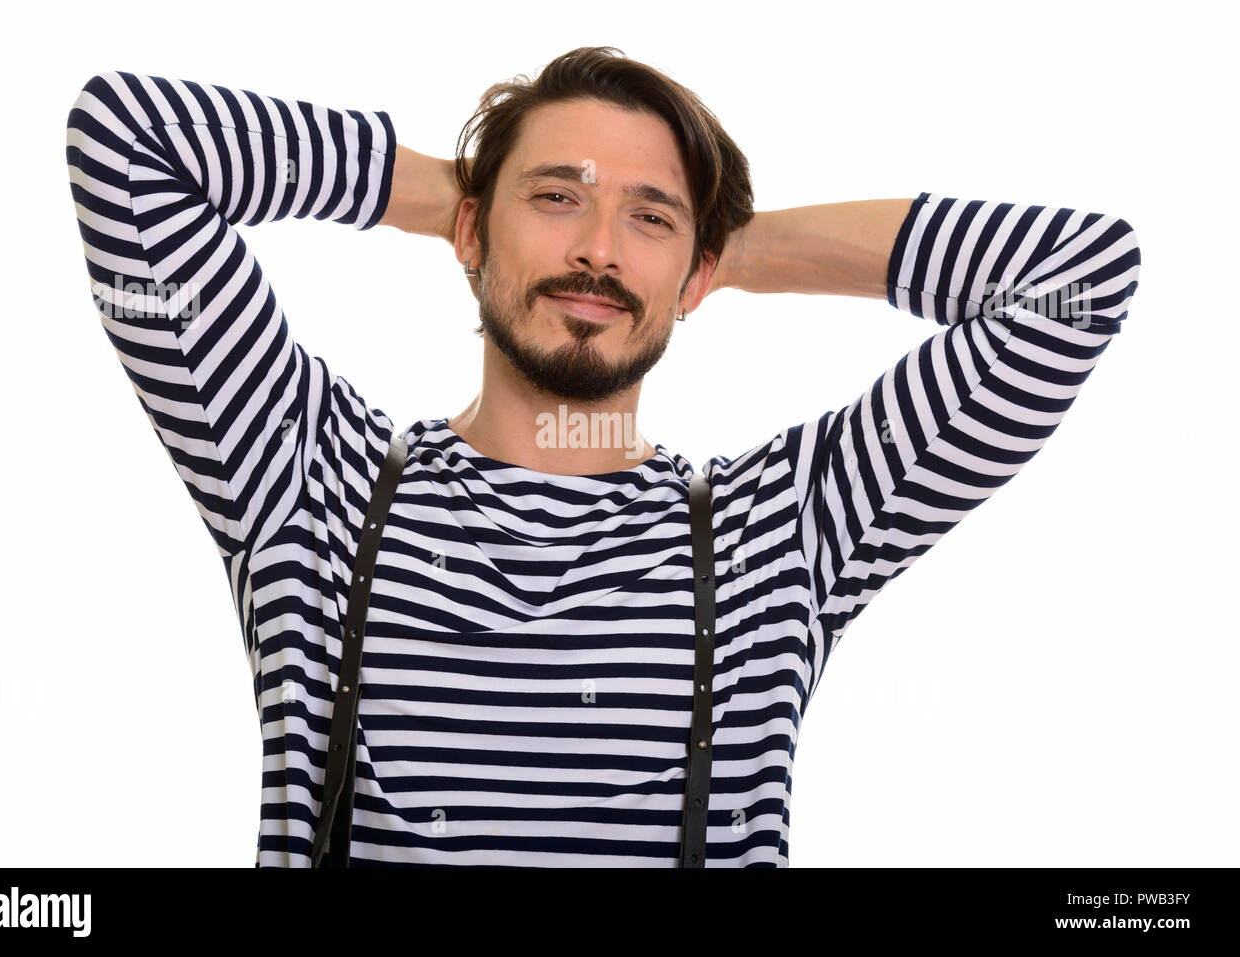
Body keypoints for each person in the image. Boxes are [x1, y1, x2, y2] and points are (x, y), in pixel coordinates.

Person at [64, 47, 1141, 867]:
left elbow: (1079, 278)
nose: (598, 249)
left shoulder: (783, 531)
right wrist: (450, 201)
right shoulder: (305, 479)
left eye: (647, 219)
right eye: (558, 199)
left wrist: (727, 251)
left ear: (695, 272)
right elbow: (126, 141)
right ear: (478, 232)